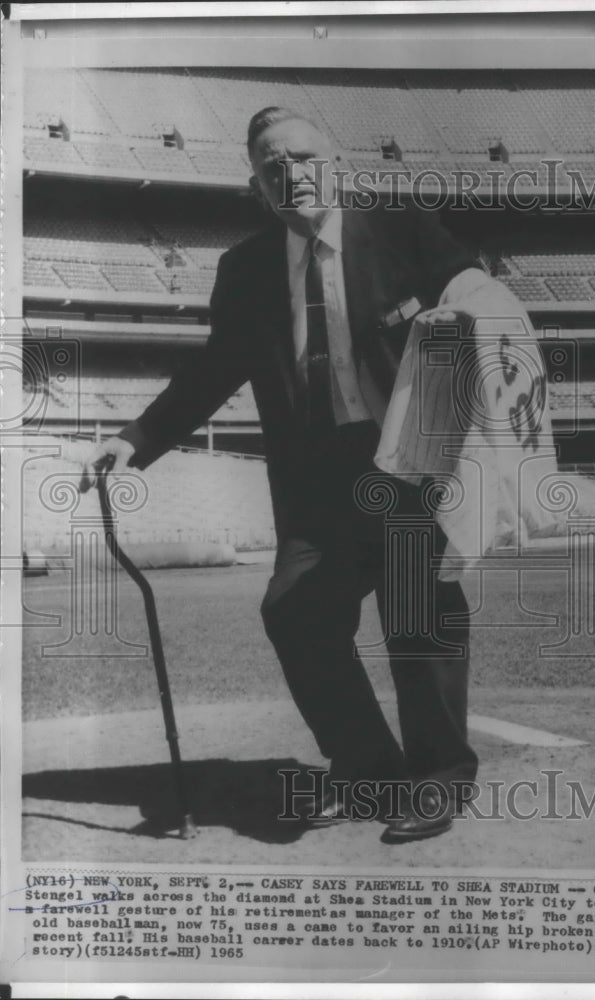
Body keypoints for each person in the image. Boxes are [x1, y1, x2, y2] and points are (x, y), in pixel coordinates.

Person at [81, 106, 489, 843]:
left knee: (417, 616)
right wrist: (135, 437)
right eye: (272, 167)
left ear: (333, 165)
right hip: (316, 481)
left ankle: (437, 781)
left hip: (405, 463)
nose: (290, 174)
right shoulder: (243, 269)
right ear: (256, 186)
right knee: (295, 612)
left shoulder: (401, 231)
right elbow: (213, 372)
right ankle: (369, 774)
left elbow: (473, 292)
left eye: (302, 158)